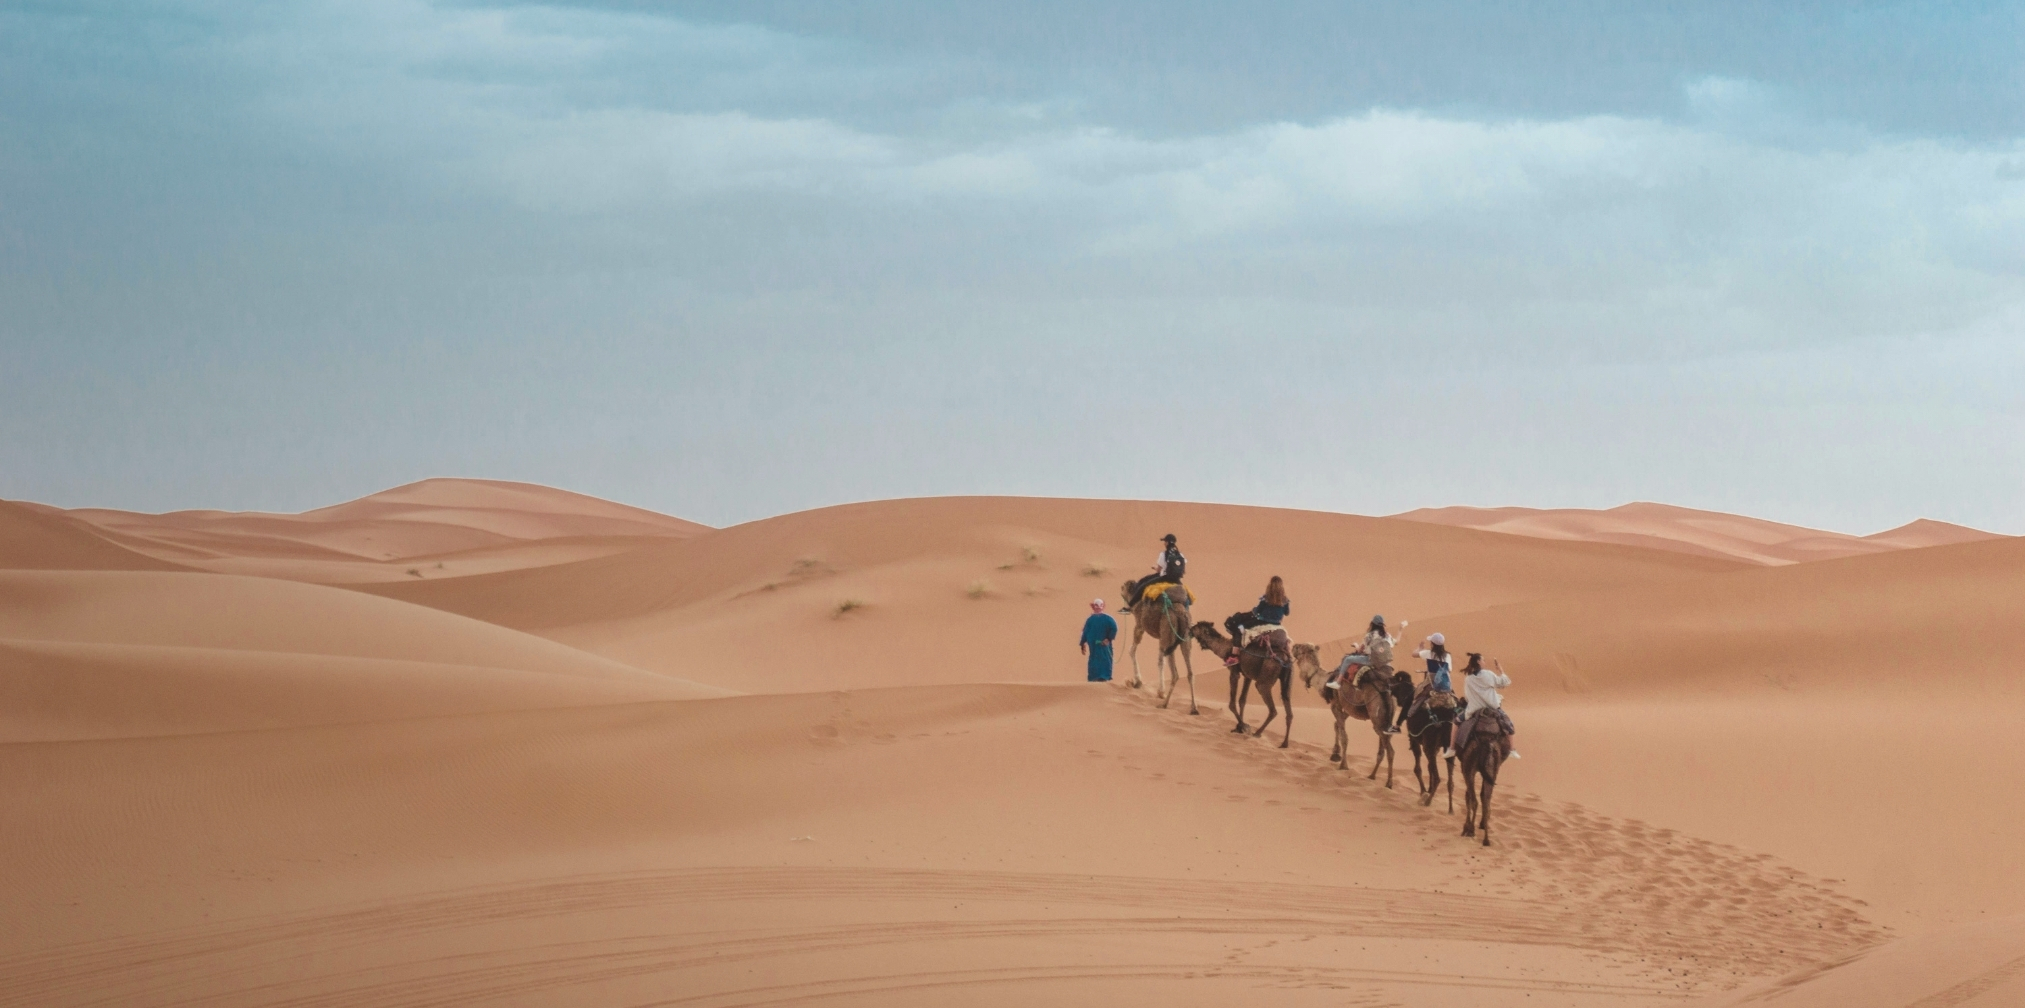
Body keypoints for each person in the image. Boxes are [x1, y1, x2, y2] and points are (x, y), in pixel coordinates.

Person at [1327, 614, 1401, 733]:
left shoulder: (1369, 636)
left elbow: (1361, 650)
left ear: (1372, 624)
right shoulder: (1387, 635)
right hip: (1386, 666)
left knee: (1347, 660)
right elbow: (1396, 642)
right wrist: (1401, 629)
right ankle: (1390, 725)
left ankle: (1338, 682)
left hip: (1371, 662)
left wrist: (1356, 646)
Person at [1444, 652, 1519, 760]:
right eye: (1483, 660)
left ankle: (1451, 748)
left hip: (1473, 710)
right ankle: (1512, 750)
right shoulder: (1488, 674)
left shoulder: (1468, 679)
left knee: (1456, 722)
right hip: (1493, 708)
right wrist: (1500, 670)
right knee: (1509, 724)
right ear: (1478, 661)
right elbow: (1504, 683)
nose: (1484, 662)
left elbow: (1467, 696)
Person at [1221, 576, 1291, 666]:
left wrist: (1255, 610)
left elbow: (1257, 611)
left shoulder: (1266, 598)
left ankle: (1235, 656)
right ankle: (1289, 657)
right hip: (1277, 624)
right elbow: (1287, 613)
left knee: (1239, 629)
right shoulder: (1285, 600)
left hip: (1262, 622)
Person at [1123, 534, 1186, 608]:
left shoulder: (1164, 554)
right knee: (1186, 595)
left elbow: (1159, 570)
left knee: (1143, 586)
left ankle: (1129, 607)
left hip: (1165, 578)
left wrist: (1155, 567)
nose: (1164, 543)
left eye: (1165, 541)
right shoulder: (1180, 555)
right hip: (1177, 580)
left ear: (1167, 543)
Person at [1404, 632, 1453, 718]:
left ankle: (1408, 715)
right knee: (1454, 699)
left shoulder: (1428, 653)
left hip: (1431, 684)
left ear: (1432, 644)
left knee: (1415, 697)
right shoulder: (1447, 655)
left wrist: (1420, 647)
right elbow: (1449, 670)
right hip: (1446, 686)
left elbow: (1414, 654)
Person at [1079, 598, 1119, 682]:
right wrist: (1083, 643)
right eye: (1096, 605)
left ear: (1103, 606)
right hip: (1093, 646)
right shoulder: (1090, 620)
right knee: (1094, 661)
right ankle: (1094, 678)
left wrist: (1108, 639)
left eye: (1100, 605)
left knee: (1105, 659)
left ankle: (1105, 677)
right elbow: (1085, 631)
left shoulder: (1108, 619)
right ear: (1093, 606)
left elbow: (1114, 628)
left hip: (1104, 645)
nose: (1098, 607)